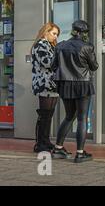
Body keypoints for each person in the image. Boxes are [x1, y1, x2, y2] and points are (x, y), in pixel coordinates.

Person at [51, 20, 99, 163]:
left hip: (65, 84)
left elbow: (54, 66)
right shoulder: (87, 47)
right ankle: (80, 153)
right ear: (84, 33)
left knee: (69, 116)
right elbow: (94, 66)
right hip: (82, 84)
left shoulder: (60, 46)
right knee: (81, 118)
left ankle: (58, 149)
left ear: (73, 30)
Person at [31, 22, 61, 153]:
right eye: (54, 33)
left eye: (57, 34)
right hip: (44, 84)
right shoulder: (40, 45)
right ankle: (40, 144)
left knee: (48, 115)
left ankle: (46, 141)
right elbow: (47, 63)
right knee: (44, 115)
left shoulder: (50, 45)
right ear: (46, 32)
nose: (55, 37)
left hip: (52, 84)